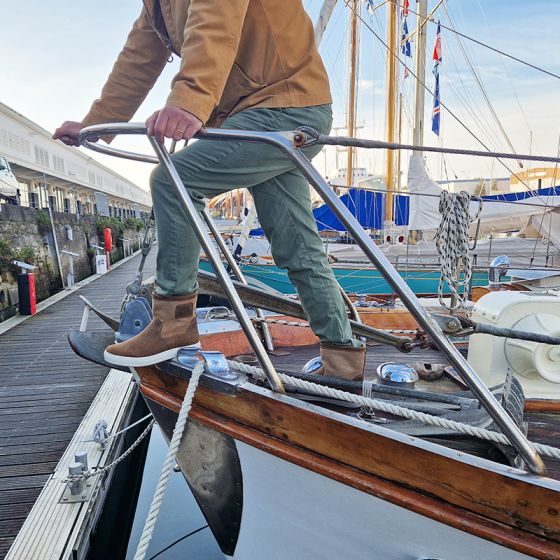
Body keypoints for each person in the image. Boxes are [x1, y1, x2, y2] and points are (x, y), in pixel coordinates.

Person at [53, 0, 364, 380]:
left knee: (174, 179)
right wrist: (96, 125)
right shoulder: (158, 6)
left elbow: (215, 20)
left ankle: (172, 324)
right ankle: (344, 359)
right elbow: (138, 60)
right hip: (256, 115)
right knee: (297, 244)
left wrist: (188, 102)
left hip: (286, 106)